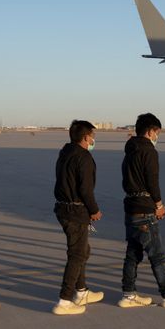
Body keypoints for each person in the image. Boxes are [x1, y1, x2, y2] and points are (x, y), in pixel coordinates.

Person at [119, 113, 165, 308]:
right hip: (145, 209)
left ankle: (128, 294)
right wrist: (158, 205)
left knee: (133, 254)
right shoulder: (148, 151)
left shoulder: (130, 150)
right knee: (156, 255)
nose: (156, 136)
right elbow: (152, 181)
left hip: (131, 206)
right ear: (150, 131)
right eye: (157, 132)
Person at [52, 120, 105, 315]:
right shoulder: (84, 157)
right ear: (85, 137)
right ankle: (64, 300)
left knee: (82, 250)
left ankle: (81, 291)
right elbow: (85, 189)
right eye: (92, 136)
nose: (93, 140)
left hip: (63, 209)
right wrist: (94, 210)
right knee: (76, 254)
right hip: (76, 211)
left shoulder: (64, 152)